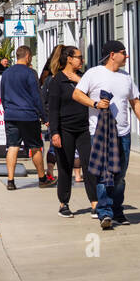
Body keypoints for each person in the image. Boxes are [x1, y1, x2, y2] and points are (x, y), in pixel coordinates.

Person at [74, 40, 140, 230]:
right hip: (100, 133)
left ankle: (117, 209)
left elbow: (135, 102)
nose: (127, 56)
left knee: (120, 175)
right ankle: (105, 212)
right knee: (103, 174)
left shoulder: (126, 77)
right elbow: (77, 94)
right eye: (124, 52)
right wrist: (95, 104)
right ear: (112, 55)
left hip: (123, 133)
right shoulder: (94, 73)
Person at [45, 44, 97, 217]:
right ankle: (63, 203)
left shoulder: (84, 77)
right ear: (69, 59)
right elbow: (53, 109)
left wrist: (79, 81)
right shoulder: (57, 81)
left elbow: (92, 98)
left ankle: (95, 203)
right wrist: (55, 132)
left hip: (85, 128)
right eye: (79, 57)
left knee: (89, 165)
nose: (82, 60)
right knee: (65, 166)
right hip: (65, 129)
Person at [1, 45, 54, 190]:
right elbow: (37, 97)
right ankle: (42, 178)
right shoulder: (30, 73)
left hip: (11, 114)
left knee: (12, 146)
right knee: (35, 147)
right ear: (28, 56)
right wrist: (44, 117)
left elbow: (2, 96)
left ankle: (10, 180)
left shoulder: (6, 73)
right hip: (28, 115)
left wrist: (7, 110)